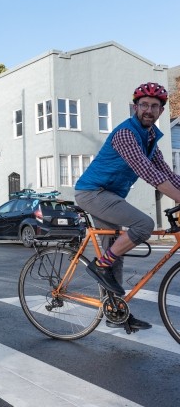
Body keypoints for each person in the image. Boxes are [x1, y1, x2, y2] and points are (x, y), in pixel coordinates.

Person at [75, 82, 180, 330]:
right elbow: (148, 174)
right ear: (135, 107)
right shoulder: (126, 134)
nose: (149, 110)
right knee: (144, 224)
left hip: (110, 195)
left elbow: (167, 173)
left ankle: (114, 312)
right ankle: (99, 266)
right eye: (144, 105)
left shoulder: (150, 137)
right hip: (93, 192)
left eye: (155, 106)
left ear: (161, 111)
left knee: (115, 256)